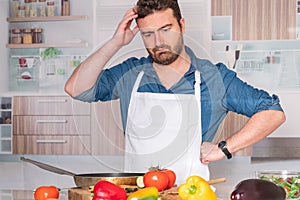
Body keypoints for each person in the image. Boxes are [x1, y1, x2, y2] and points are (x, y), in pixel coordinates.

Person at [65, 0, 285, 184]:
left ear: (181, 25)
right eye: (148, 34)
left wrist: (223, 148)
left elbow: (272, 112)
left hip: (191, 195)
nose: (158, 42)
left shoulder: (215, 78)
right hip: (139, 194)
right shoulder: (131, 73)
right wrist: (115, 43)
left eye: (165, 30)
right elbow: (76, 89)